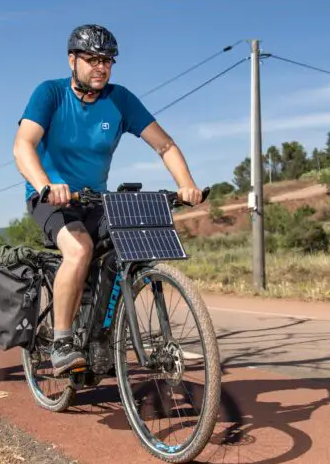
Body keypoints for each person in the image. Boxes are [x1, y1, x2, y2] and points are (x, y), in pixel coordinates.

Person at [13, 23, 204, 375]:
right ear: (72, 60)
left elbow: (165, 145)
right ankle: (62, 341)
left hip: (95, 199)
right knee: (80, 249)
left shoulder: (120, 100)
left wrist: (186, 184)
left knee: (131, 246)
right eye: (92, 59)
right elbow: (23, 145)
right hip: (51, 198)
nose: (101, 67)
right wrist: (44, 185)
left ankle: (102, 336)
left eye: (108, 61)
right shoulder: (50, 94)